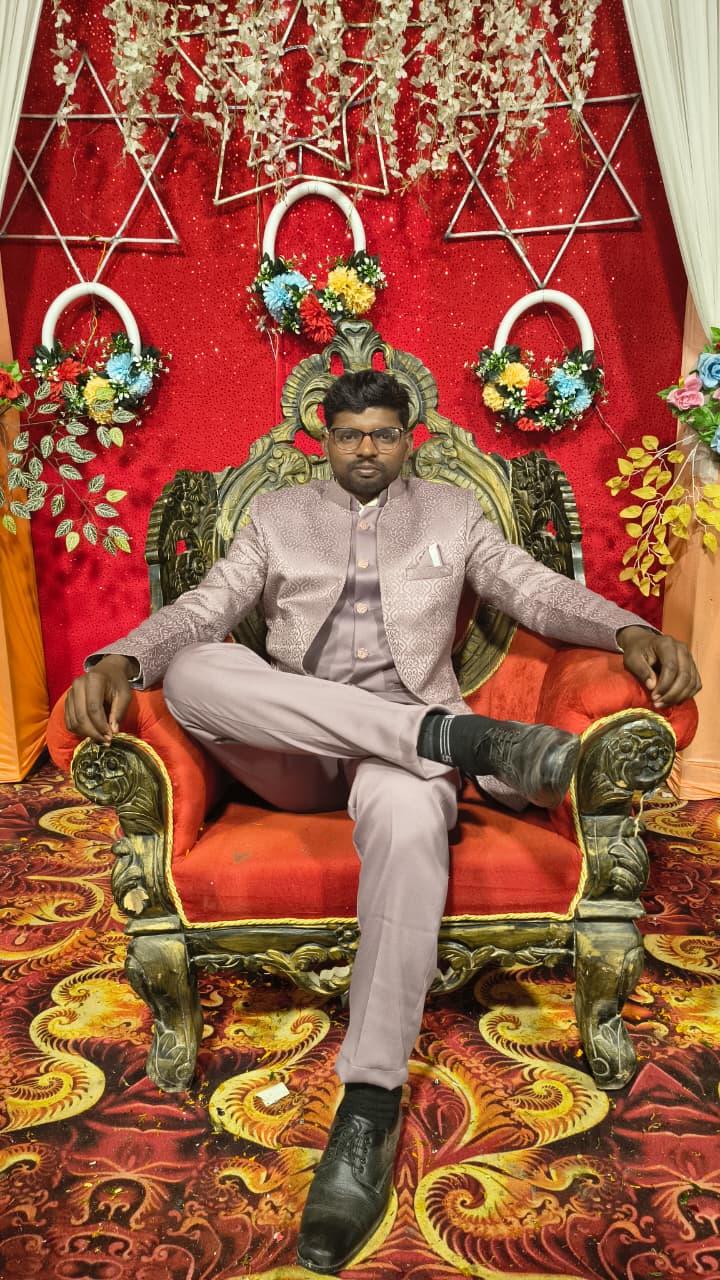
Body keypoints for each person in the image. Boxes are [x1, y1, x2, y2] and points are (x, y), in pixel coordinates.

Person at [65, 369, 700, 1275]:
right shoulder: (276, 518)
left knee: (408, 819)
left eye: (384, 434)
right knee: (199, 668)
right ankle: (453, 737)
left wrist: (628, 630)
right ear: (323, 439)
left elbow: (535, 591)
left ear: (411, 438)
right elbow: (205, 606)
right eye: (350, 433)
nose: (367, 447)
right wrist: (121, 658)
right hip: (295, 749)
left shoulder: (451, 513)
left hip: (400, 762)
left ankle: (367, 1106)